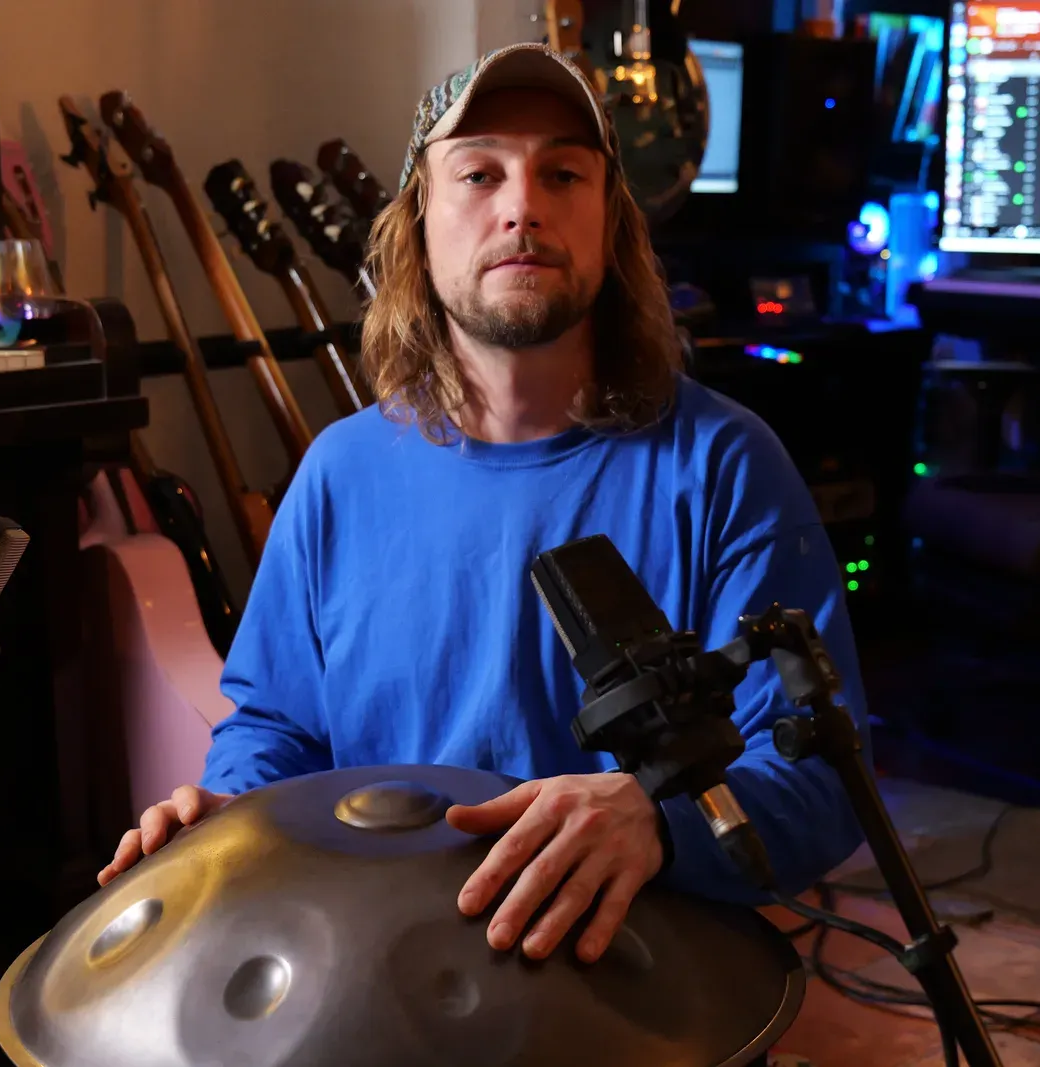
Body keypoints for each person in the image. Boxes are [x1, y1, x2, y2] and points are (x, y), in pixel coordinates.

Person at [99, 42, 869, 965]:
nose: (522, 207)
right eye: (479, 172)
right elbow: (278, 727)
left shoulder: (724, 466)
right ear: (418, 224)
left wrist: (656, 820)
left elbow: (823, 780)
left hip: (639, 987)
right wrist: (234, 813)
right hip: (385, 971)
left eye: (563, 173)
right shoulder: (339, 474)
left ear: (611, 225)